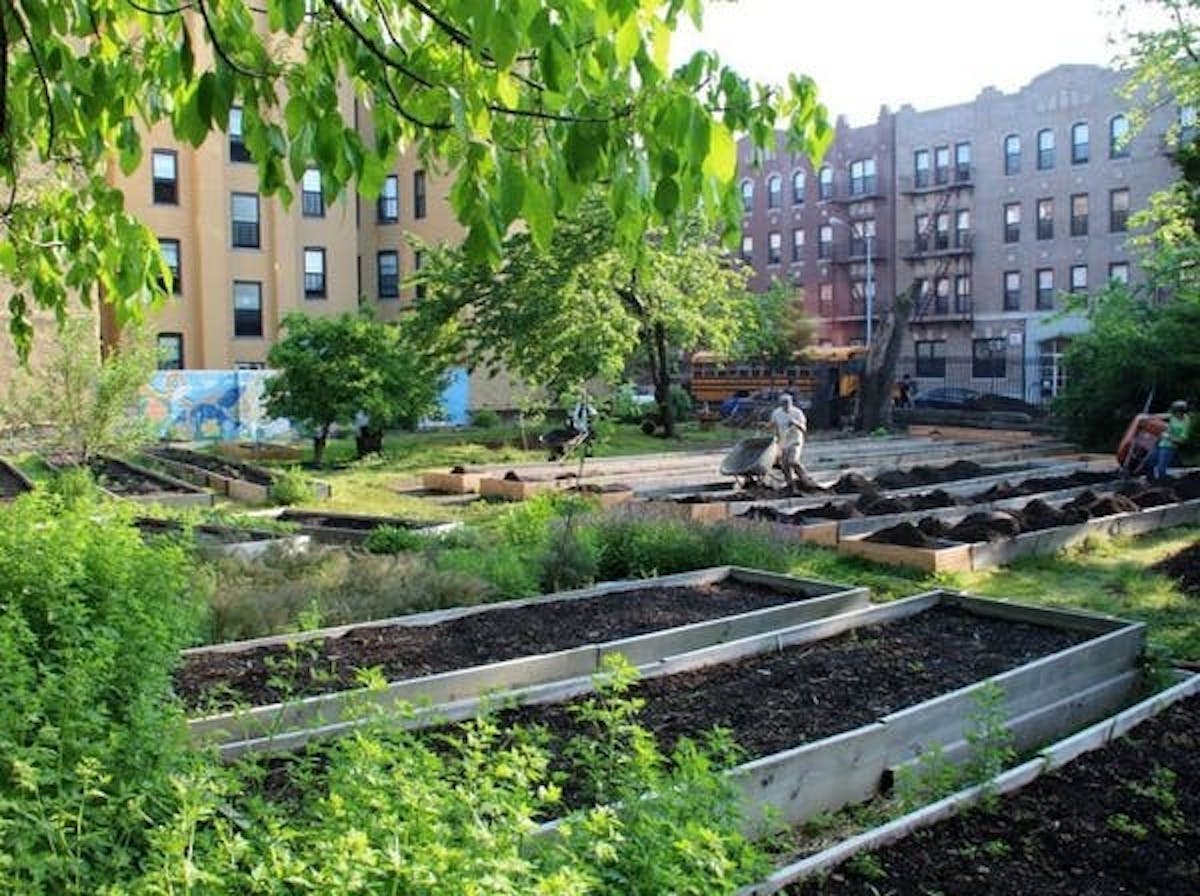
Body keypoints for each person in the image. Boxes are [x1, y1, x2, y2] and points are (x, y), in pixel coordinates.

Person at [769, 393, 808, 492]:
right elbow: (774, 425)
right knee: (785, 465)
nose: (786, 406)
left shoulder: (797, 413)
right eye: (784, 404)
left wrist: (796, 423)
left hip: (795, 440)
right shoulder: (776, 413)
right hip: (783, 441)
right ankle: (790, 485)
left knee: (793, 461)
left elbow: (804, 428)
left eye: (788, 403)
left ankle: (804, 478)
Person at [1147, 400, 1192, 481]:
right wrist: (1150, 416)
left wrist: (1168, 437)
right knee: (1149, 462)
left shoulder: (1186, 422)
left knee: (1161, 468)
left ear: (1182, 411)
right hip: (1160, 443)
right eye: (1174, 411)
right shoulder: (1173, 416)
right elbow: (1161, 416)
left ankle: (1163, 485)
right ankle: (1151, 482)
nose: (1175, 414)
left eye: (1177, 411)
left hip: (1169, 447)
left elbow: (1182, 440)